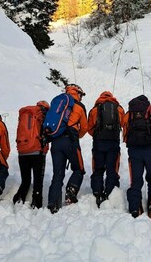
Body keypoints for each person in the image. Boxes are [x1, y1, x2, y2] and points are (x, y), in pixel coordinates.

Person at [46, 84, 88, 214]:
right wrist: (76, 135)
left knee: (57, 175)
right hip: (70, 141)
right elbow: (85, 127)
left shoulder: (59, 104)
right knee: (79, 169)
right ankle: (71, 191)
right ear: (78, 93)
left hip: (56, 142)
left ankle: (53, 204)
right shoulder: (79, 106)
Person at [122, 95, 151, 220]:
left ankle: (135, 208)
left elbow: (124, 132)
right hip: (150, 150)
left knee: (136, 180)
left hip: (134, 151)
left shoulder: (129, 114)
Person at [87, 91, 126, 207]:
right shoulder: (118, 109)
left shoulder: (95, 109)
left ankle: (97, 193)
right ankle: (110, 193)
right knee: (112, 170)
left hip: (98, 144)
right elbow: (124, 123)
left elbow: (89, 128)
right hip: (113, 143)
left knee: (98, 169)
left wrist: (97, 135)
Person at [13, 100, 50, 209]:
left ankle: (19, 199)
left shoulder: (26, 114)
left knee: (26, 180)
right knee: (38, 179)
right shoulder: (42, 115)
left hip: (22, 151)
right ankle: (37, 203)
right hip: (37, 152)